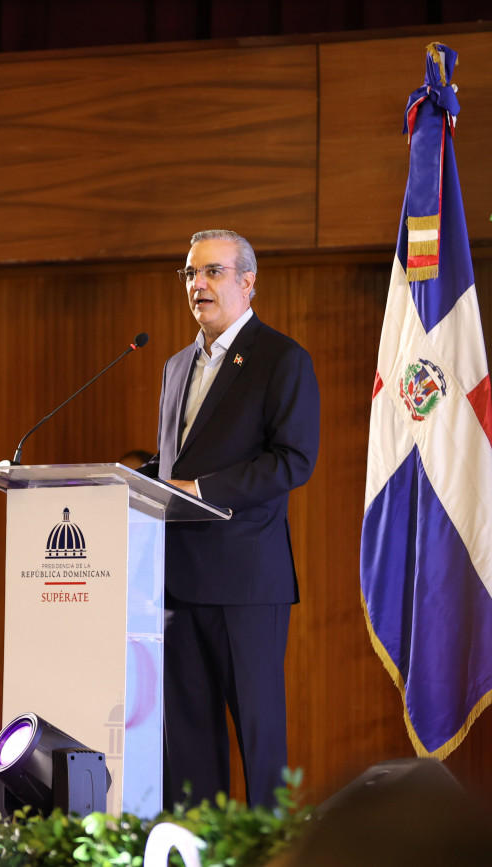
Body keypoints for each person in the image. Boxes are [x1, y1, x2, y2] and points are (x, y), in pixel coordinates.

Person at [140, 229, 320, 809]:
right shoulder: (175, 366)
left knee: (261, 743)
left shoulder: (281, 359)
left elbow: (292, 460)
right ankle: (197, 845)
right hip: (178, 583)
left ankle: (273, 848)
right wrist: (131, 479)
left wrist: (201, 489)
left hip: (245, 584)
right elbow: (175, 462)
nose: (198, 285)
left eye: (212, 272)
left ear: (248, 281)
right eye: (190, 274)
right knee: (187, 748)